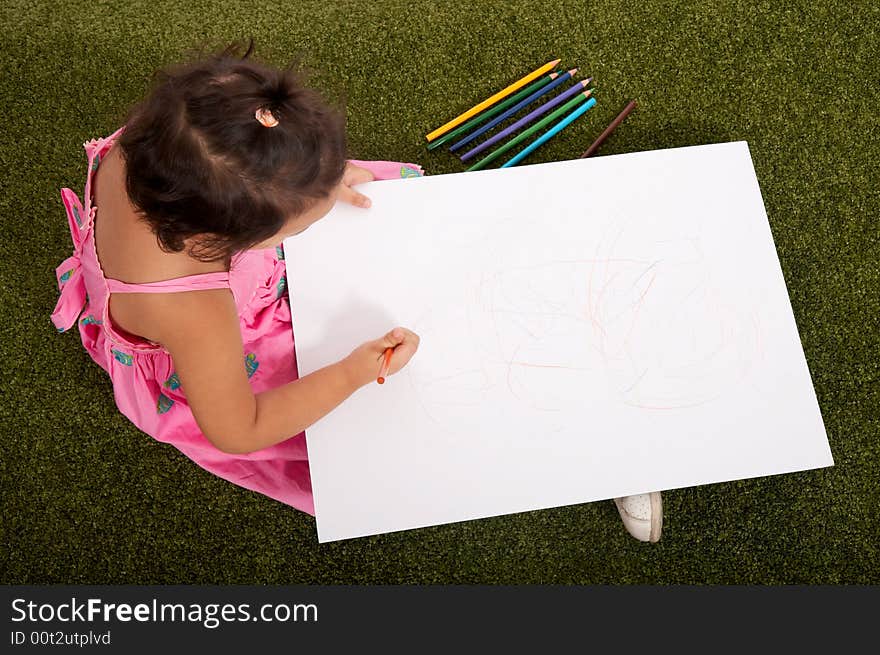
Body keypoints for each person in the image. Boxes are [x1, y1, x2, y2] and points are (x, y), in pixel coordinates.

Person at [51, 39, 662, 543]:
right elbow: (240, 430)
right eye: (303, 216)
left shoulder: (166, 142)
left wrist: (313, 181)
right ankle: (600, 435)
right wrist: (347, 374)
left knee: (383, 208)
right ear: (230, 240)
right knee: (412, 392)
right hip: (221, 356)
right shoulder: (197, 311)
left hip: (203, 267)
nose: (322, 202)